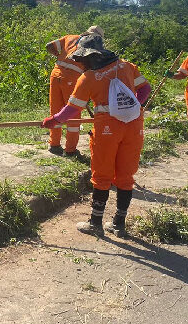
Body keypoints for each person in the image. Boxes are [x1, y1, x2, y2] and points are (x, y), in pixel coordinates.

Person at [42, 34, 151, 237]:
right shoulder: (127, 66)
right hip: (135, 126)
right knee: (126, 176)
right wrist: (133, 106)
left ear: (91, 56)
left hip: (107, 130)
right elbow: (145, 89)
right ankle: (119, 223)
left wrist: (53, 121)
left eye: (81, 58)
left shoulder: (88, 78)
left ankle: (95, 222)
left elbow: (72, 109)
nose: (78, 62)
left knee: (102, 175)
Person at [45, 25, 104, 158]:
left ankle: (54, 145)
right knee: (74, 113)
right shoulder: (92, 46)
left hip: (55, 74)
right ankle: (70, 150)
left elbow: (49, 45)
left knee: (55, 110)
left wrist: (62, 56)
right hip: (72, 78)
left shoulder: (69, 37)